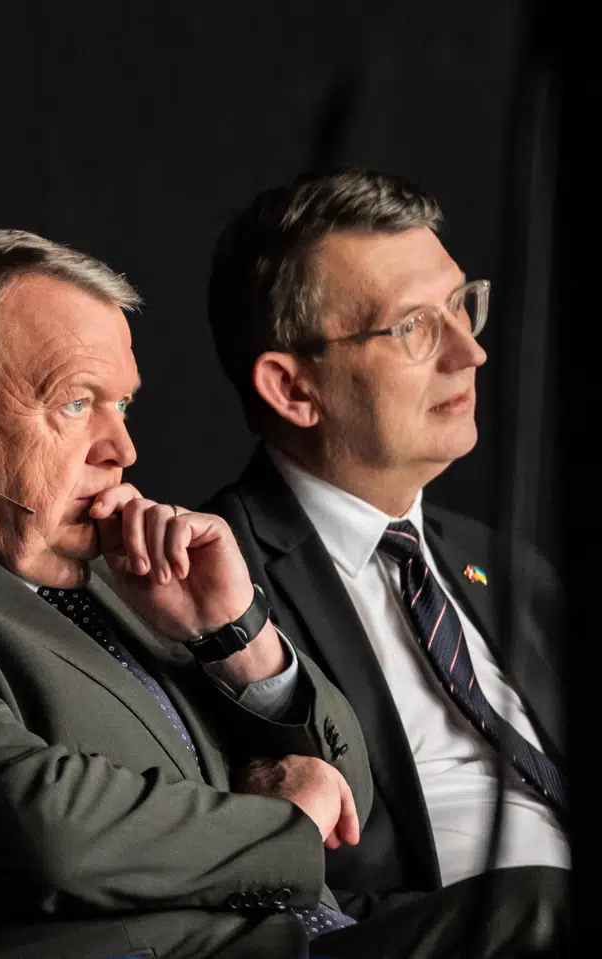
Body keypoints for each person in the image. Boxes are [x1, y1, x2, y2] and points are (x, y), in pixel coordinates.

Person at [0, 228, 565, 959]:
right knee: (545, 908)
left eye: (125, 405)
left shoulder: (121, 562)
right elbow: (50, 830)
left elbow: (349, 791)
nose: (122, 447)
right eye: (77, 403)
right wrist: (285, 820)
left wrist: (239, 636)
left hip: (326, 933)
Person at [202, 169, 568, 915]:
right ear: (293, 388)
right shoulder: (208, 584)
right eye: (413, 327)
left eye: (462, 306)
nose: (470, 353)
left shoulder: (508, 568)